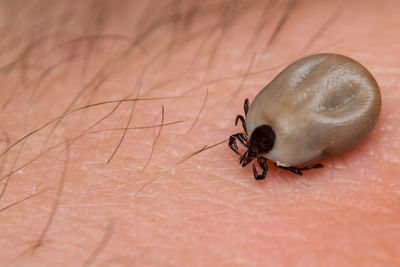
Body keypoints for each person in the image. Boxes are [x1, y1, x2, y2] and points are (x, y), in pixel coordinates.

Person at [0, 0, 398, 265]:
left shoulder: (260, 135)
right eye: (251, 153)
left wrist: (293, 161)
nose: (248, 156)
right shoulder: (265, 136)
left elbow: (253, 133)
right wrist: (292, 161)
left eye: (253, 155)